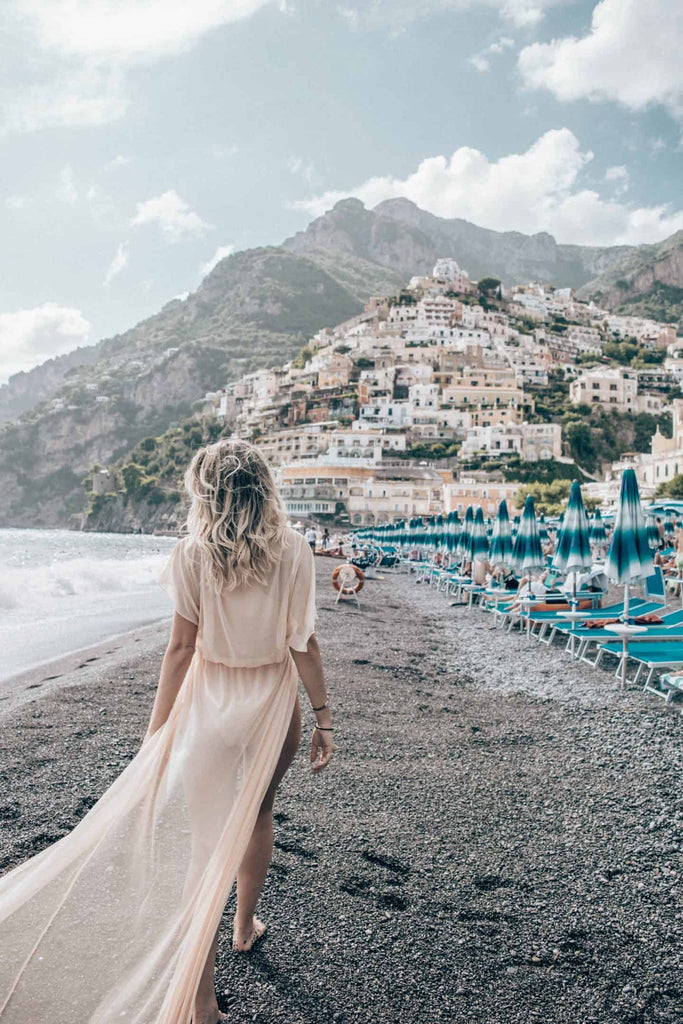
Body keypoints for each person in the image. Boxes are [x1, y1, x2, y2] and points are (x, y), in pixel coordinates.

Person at [0, 439, 334, 1024]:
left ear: (203, 492)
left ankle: (201, 1004)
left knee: (203, 847)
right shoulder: (295, 550)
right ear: (264, 487)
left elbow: (180, 649)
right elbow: (301, 642)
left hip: (208, 704)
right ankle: (243, 924)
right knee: (257, 813)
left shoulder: (190, 554)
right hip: (272, 701)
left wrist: (157, 732)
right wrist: (325, 716)